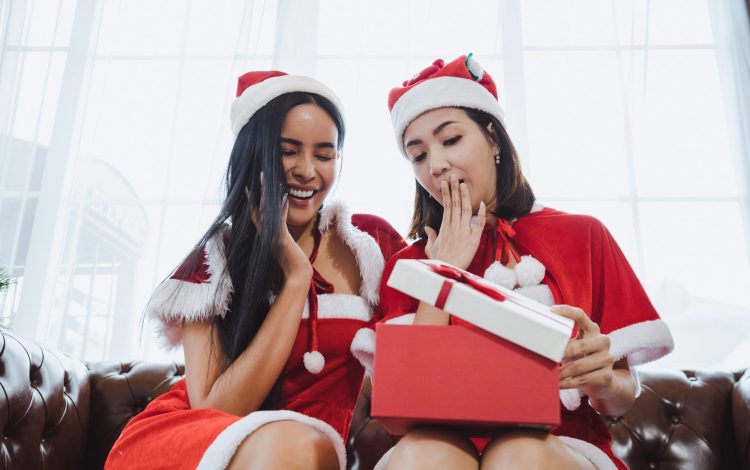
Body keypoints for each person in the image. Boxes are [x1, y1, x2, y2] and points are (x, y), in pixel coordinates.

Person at [376, 54, 674, 470]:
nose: (436, 164)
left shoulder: (582, 235)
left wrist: (602, 378)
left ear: (494, 139)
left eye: (450, 140)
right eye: (418, 155)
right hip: (439, 443)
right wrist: (443, 272)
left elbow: (619, 398)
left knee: (518, 453)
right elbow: (405, 406)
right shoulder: (407, 264)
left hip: (561, 445)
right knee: (425, 456)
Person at [105, 70, 406, 470]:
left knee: (302, 447)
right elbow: (221, 409)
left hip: (307, 449)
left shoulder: (367, 244)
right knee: (297, 446)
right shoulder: (211, 263)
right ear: (256, 153)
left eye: (324, 154)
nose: (306, 170)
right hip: (199, 445)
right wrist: (296, 279)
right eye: (287, 150)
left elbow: (419, 358)